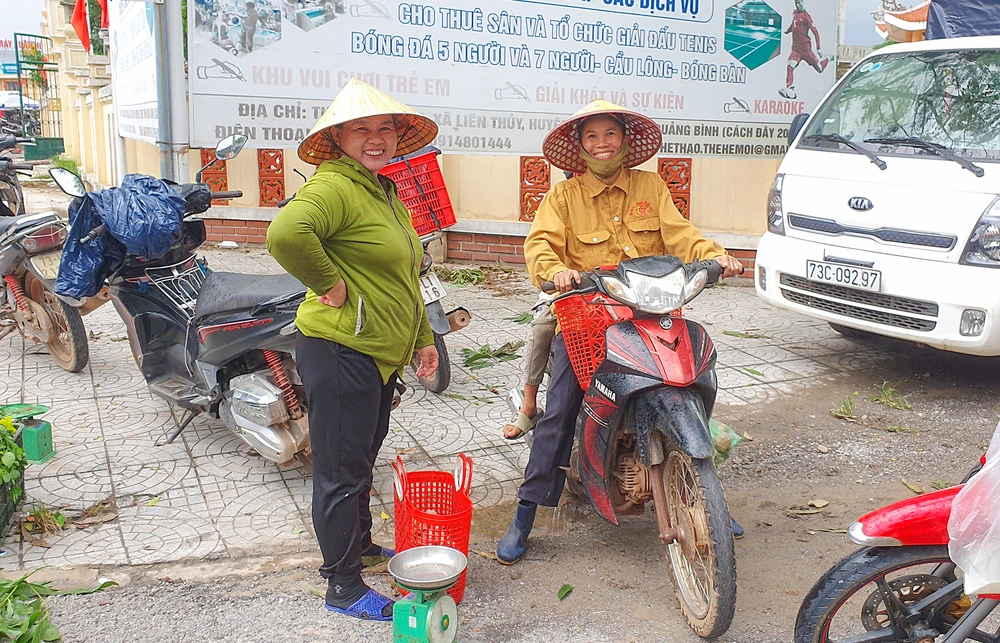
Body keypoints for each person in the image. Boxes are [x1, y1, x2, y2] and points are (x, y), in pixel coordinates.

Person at [495, 100, 745, 565]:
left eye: (610, 134)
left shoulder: (650, 186)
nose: (602, 144)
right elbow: (540, 247)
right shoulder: (563, 198)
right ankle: (526, 512)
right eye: (592, 137)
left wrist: (716, 256)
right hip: (588, 316)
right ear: (580, 146)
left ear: (625, 141)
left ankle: (706, 497)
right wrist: (557, 272)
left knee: (689, 381)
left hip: (649, 311)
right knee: (563, 408)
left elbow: (681, 234)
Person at [266, 78, 440, 621]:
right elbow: (287, 234)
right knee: (341, 470)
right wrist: (331, 283)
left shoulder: (380, 190)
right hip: (340, 349)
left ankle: (359, 546)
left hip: (377, 353)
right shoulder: (336, 186)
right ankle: (341, 584)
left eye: (384, 128)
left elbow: (405, 274)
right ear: (337, 137)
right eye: (360, 129)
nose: (375, 138)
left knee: (361, 459)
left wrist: (423, 339)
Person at [780, 0, 832, 100]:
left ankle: (828, 58)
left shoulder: (806, 16)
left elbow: (815, 32)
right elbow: (793, 24)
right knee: (790, 66)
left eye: (799, 3)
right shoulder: (794, 13)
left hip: (806, 49)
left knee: (819, 69)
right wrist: (788, 30)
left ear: (802, 2)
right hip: (796, 49)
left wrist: (818, 48)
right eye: (796, 3)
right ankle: (789, 88)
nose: (798, 5)